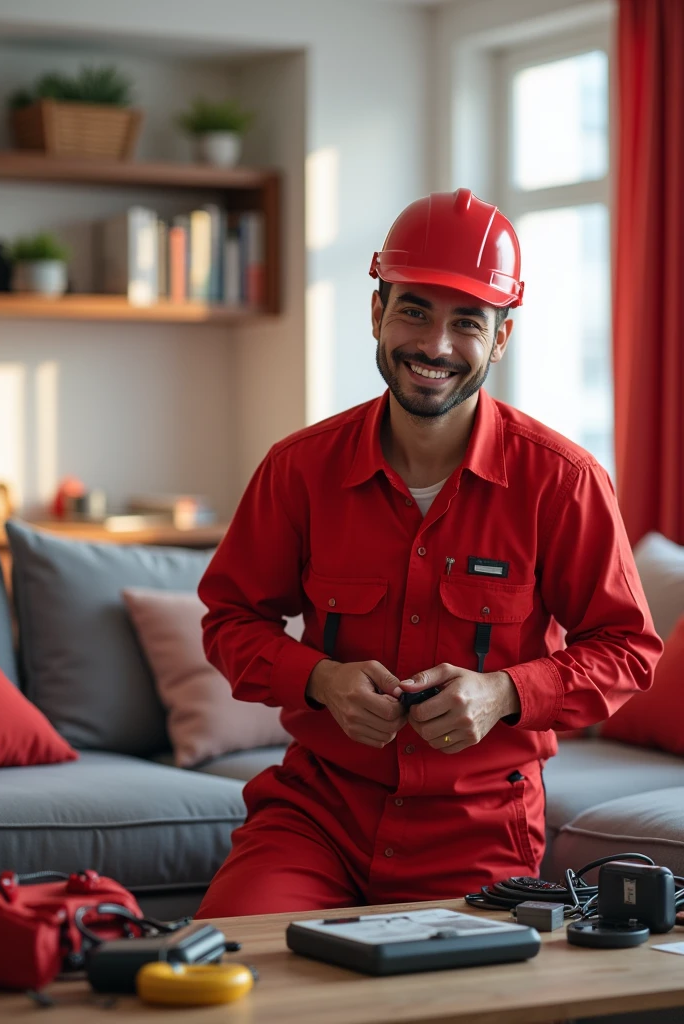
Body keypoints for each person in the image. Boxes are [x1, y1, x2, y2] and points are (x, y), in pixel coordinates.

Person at [195, 189, 662, 918]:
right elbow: (228, 620)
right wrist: (320, 679)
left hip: (479, 831)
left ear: (500, 339)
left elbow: (629, 650)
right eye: (414, 310)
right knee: (232, 980)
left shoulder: (562, 483)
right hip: (316, 817)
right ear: (376, 312)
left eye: (467, 323)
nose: (436, 346)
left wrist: (506, 693)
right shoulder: (299, 470)